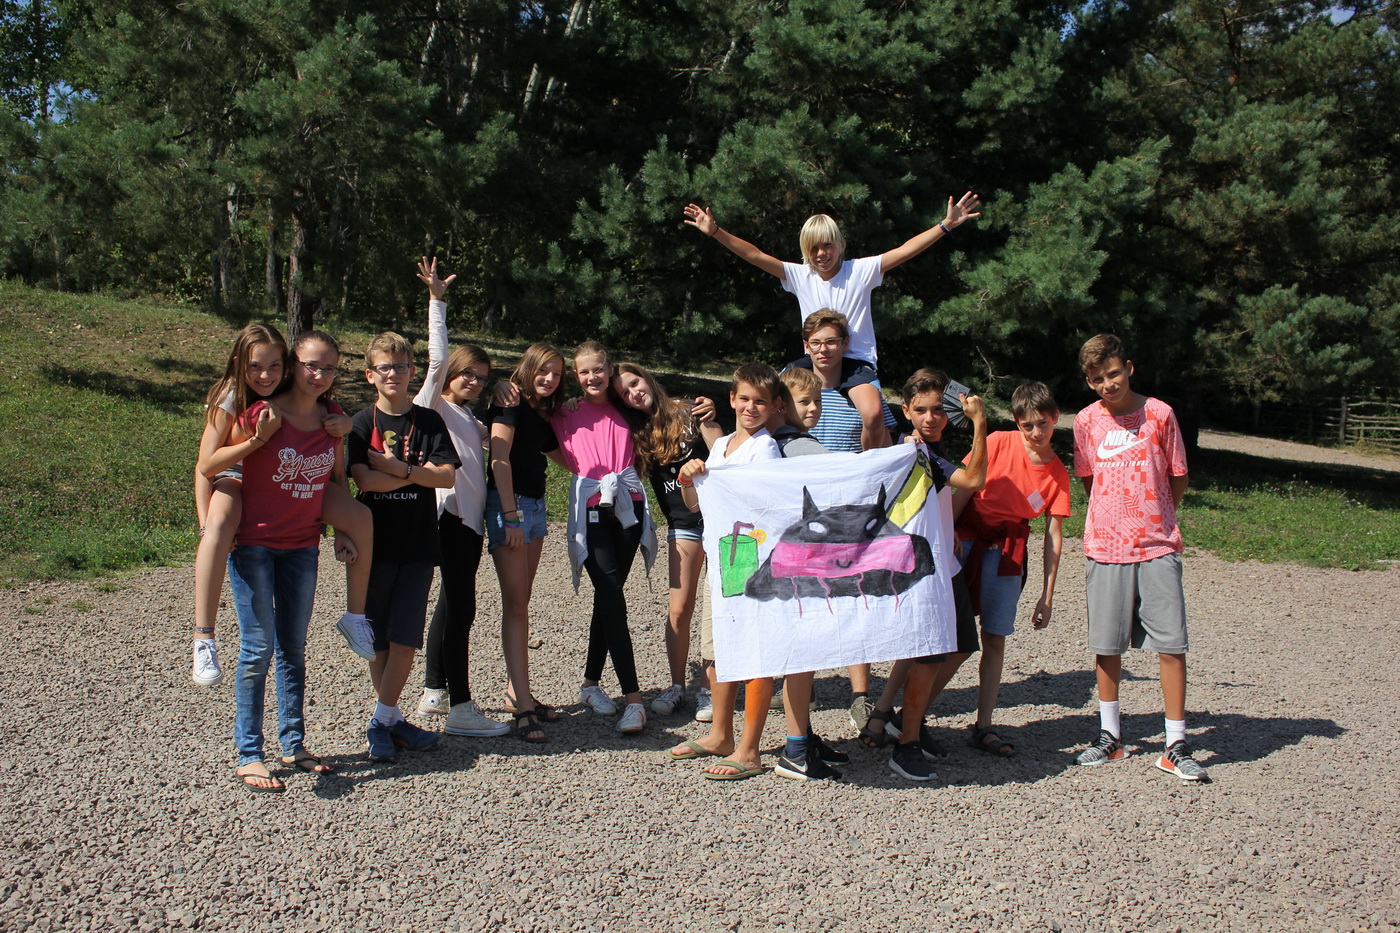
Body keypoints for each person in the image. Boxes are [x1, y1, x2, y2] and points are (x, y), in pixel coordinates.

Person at [683, 194, 980, 445]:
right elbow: (755, 255)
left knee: (873, 414)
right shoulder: (800, 275)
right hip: (814, 357)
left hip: (854, 362)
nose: (821, 253)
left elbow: (904, 251)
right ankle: (763, 455)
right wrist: (715, 231)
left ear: (840, 244)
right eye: (813, 248)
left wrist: (945, 225)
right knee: (766, 398)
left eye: (827, 245)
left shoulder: (860, 271)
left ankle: (869, 469)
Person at [192, 325, 374, 687]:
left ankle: (356, 616)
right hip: (233, 471)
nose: (265, 375)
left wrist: (344, 423)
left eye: (274, 366)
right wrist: (204, 522)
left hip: (285, 479)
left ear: (285, 365)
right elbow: (205, 466)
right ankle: (203, 636)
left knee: (361, 517)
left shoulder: (317, 406)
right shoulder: (231, 397)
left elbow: (334, 471)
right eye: (256, 367)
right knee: (219, 523)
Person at [1072, 334, 1206, 782]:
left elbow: (1177, 475)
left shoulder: (1160, 413)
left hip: (1156, 545)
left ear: (1128, 367)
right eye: (1097, 379)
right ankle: (1110, 737)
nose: (1107, 384)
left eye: (1113, 374)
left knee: (1171, 644)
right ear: (1088, 382)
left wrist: (1157, 516)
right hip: (1106, 546)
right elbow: (1089, 479)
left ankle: (1175, 744)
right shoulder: (1086, 421)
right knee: (1107, 645)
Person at [222, 329, 345, 792]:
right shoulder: (262, 412)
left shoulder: (333, 419)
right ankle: (249, 754)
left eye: (329, 368)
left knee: (293, 648)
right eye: (311, 365)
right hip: (253, 544)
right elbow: (215, 463)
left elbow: (335, 483)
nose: (319, 375)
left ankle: (293, 744)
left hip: (302, 546)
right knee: (258, 648)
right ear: (294, 364)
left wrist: (342, 531)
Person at [863, 368, 988, 782]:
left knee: (962, 644)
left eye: (938, 410)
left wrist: (948, 527)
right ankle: (907, 744)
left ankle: (899, 720)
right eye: (921, 410)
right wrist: (981, 424)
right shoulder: (915, 450)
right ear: (906, 411)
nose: (931, 418)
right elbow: (973, 479)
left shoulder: (931, 444)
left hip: (945, 559)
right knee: (928, 655)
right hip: (925, 567)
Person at [938, 381, 1071, 757]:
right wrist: (945, 535)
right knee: (946, 628)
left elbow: (1053, 535)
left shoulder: (1058, 474)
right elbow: (963, 488)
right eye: (1027, 425)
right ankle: (907, 716)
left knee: (994, 637)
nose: (1036, 432)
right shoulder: (997, 442)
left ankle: (984, 724)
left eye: (1043, 424)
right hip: (967, 538)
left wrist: (1047, 596)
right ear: (1016, 421)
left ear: (1055, 418)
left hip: (1008, 551)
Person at [664, 363, 783, 780]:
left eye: (760, 401)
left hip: (749, 561)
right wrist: (688, 479)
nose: (751, 407)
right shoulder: (723, 445)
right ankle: (720, 734)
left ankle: (749, 750)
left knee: (752, 654)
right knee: (717, 650)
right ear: (731, 399)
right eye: (744, 398)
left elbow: (762, 504)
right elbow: (698, 505)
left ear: (774, 406)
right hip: (721, 558)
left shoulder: (766, 448)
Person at [347, 332, 460, 763]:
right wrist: (419, 473)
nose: (393, 374)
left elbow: (447, 476)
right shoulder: (361, 423)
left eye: (401, 366)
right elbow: (365, 480)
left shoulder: (428, 421)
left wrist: (398, 468)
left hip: (418, 544)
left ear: (412, 371)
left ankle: (381, 722)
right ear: (370, 374)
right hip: (374, 544)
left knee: (406, 637)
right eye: (384, 367)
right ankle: (390, 720)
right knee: (378, 638)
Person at [410, 258, 509, 738]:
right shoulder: (431, 406)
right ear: (452, 371)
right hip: (448, 518)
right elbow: (434, 361)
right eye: (467, 373)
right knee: (463, 610)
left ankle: (435, 689)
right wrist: (437, 303)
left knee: (450, 606)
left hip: (470, 524)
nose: (474, 381)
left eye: (481, 377)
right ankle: (462, 709)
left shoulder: (469, 417)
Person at [552, 342, 657, 734]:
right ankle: (634, 700)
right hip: (592, 512)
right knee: (612, 595)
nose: (592, 377)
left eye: (598, 369)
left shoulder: (627, 408)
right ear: (575, 376)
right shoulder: (565, 412)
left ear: (610, 369)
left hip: (629, 509)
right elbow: (547, 441)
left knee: (608, 596)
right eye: (584, 372)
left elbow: (662, 412)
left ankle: (590, 685)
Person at [612, 362, 723, 717]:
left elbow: (724, 453)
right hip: (683, 523)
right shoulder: (636, 432)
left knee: (717, 606)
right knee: (679, 608)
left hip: (719, 519)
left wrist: (710, 418)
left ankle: (708, 688)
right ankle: (677, 686)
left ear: (647, 378)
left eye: (635, 383)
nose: (634, 393)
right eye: (624, 393)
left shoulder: (690, 411)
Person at [486, 342, 566, 742]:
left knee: (522, 602)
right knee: (516, 605)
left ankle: (517, 692)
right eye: (543, 370)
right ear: (529, 366)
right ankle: (521, 708)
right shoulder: (509, 401)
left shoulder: (537, 409)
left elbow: (566, 458)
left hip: (535, 505)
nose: (549, 378)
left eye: (557, 373)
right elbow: (499, 458)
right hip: (512, 505)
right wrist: (510, 514)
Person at [796, 310, 895, 452]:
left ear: (845, 343)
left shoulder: (867, 396)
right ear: (807, 346)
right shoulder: (792, 395)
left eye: (831, 342)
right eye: (815, 343)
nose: (823, 349)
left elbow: (885, 451)